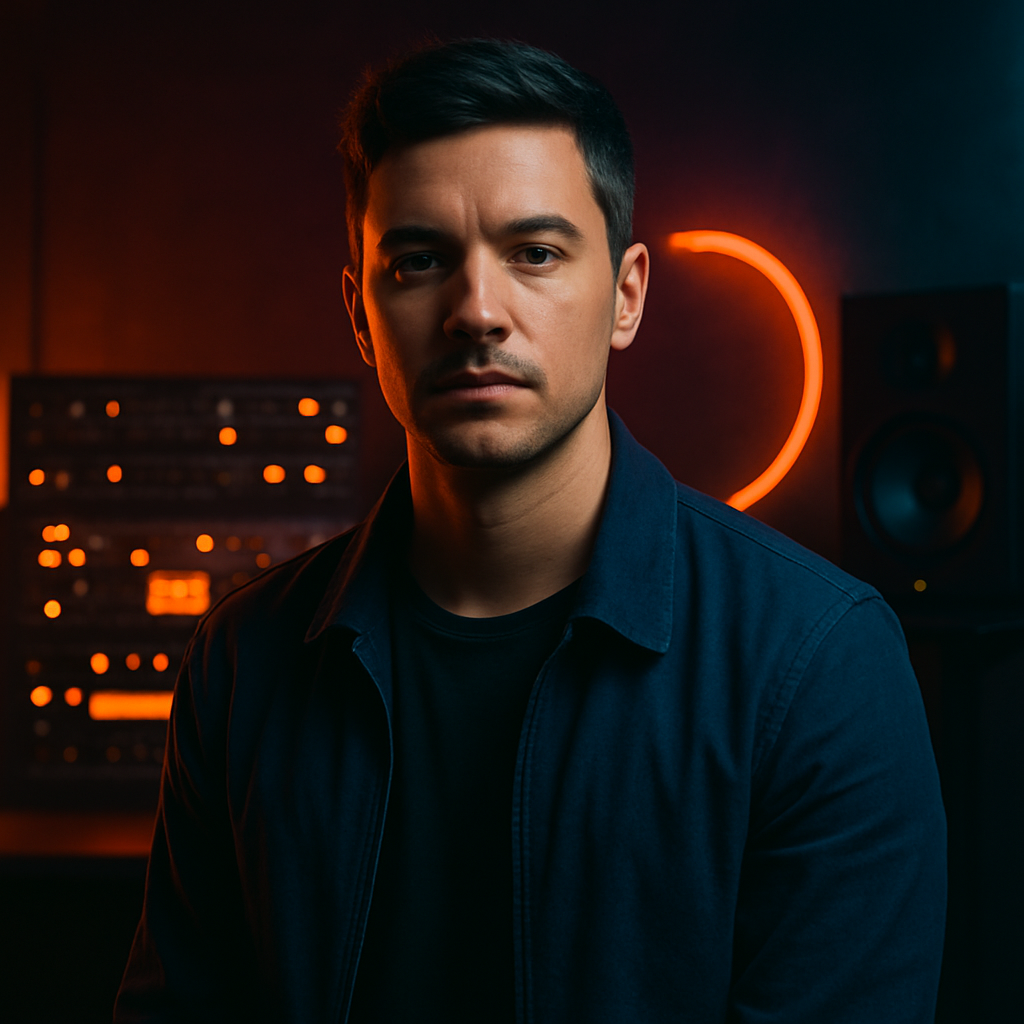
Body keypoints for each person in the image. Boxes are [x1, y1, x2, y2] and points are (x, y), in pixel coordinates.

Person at [115, 38, 946, 1023]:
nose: (476, 311)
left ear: (626, 294)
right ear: (359, 312)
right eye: (420, 259)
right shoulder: (243, 661)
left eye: (535, 253)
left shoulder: (815, 661)